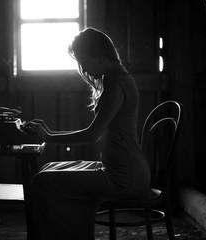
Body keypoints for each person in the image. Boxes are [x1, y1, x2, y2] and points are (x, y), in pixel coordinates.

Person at [25, 27, 151, 240]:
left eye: (84, 60)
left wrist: (48, 136)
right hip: (120, 170)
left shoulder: (117, 84)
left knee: (41, 182)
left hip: (125, 178)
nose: (82, 68)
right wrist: (48, 134)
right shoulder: (114, 79)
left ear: (100, 55)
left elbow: (92, 135)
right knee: (46, 170)